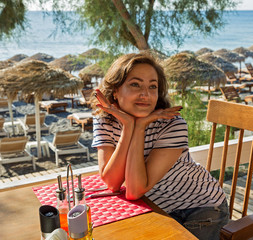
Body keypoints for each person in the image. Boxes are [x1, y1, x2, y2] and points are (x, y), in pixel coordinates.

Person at [90, 53, 228, 239]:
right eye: (135, 84)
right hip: (155, 207)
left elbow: (134, 190)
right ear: (115, 90)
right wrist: (128, 127)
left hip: (199, 206)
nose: (145, 94)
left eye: (152, 87)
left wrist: (138, 128)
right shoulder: (104, 120)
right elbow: (112, 182)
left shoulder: (172, 124)